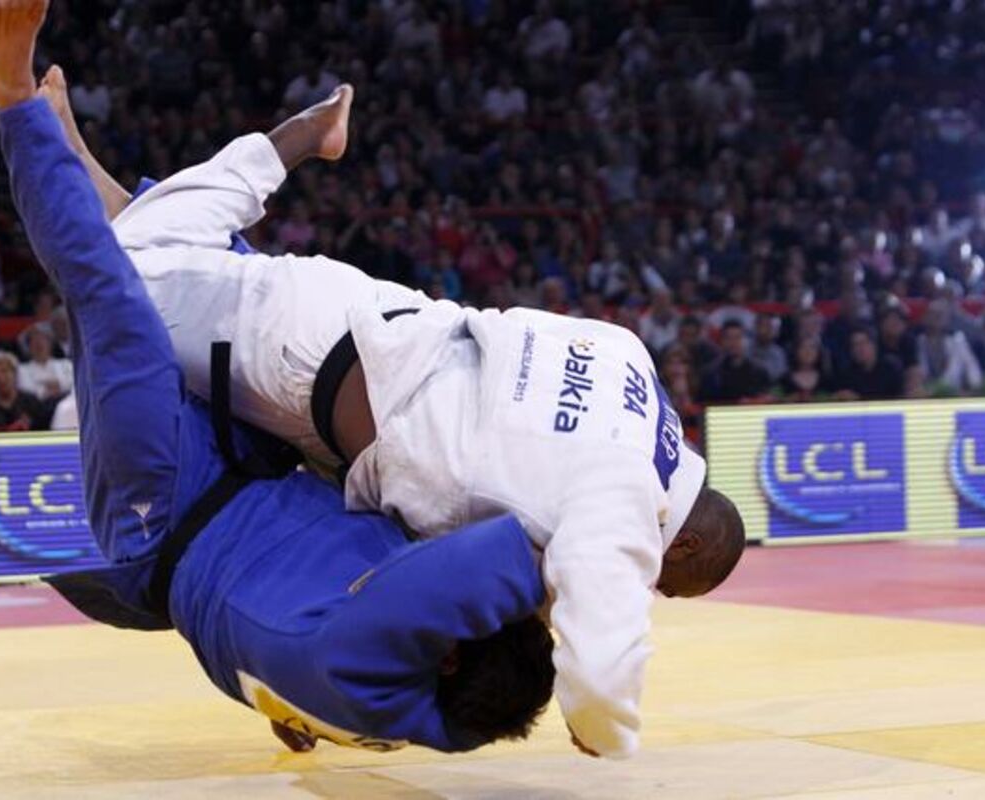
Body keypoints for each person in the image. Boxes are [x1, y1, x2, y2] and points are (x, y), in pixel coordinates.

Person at [41, 60, 746, 758]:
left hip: (363, 327)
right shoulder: (626, 497)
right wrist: (600, 728)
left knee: (184, 254)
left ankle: (80, 150)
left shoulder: (630, 360)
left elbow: (538, 569)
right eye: (672, 586)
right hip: (311, 368)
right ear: (684, 543)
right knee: (122, 275)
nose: (656, 589)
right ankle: (289, 139)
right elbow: (605, 627)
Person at [0, 0, 555, 756]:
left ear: (447, 652)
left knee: (114, 297)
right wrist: (296, 712)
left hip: (162, 503)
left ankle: (13, 100)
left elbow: (513, 549)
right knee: (222, 284)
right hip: (244, 472)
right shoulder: (416, 714)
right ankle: (76, 151)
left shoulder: (364, 653)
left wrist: (605, 573)